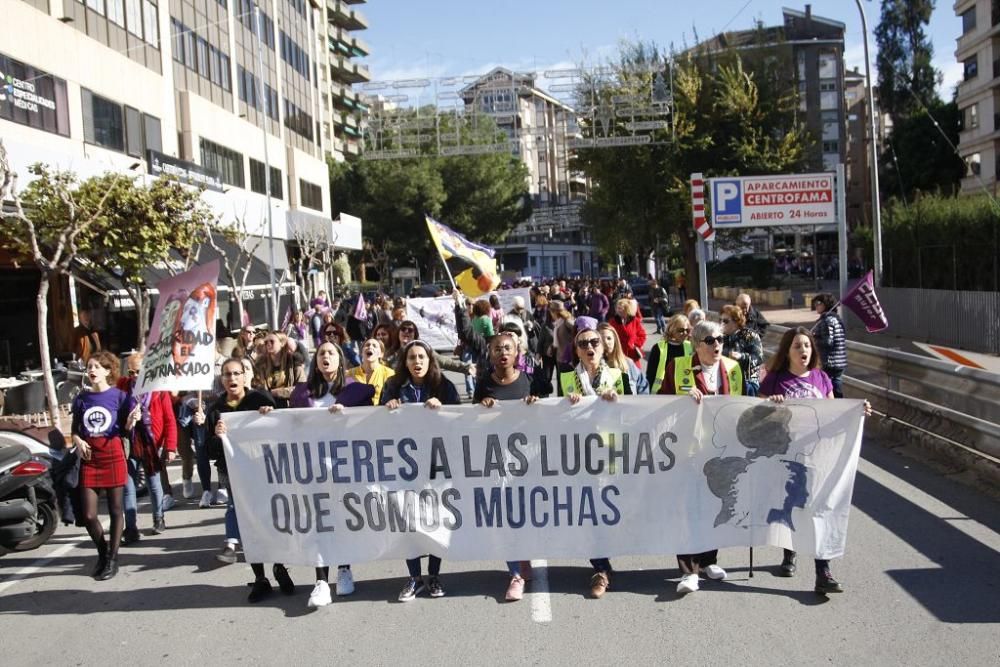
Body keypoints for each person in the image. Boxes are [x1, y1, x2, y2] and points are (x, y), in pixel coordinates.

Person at [759, 326, 871, 595]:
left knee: (819, 508)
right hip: (787, 457)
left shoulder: (822, 378)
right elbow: (757, 415)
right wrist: (771, 404)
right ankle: (790, 552)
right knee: (794, 506)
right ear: (787, 351)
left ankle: (824, 571)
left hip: (819, 456)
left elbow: (835, 412)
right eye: (797, 346)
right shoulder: (774, 379)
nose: (803, 351)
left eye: (807, 346)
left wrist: (858, 411)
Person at [286, 342, 375, 608]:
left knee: (343, 520)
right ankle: (321, 581)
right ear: (316, 361)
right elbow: (289, 425)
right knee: (319, 523)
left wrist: (348, 414)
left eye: (331, 353)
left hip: (344, 469)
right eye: (321, 353)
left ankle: (345, 570)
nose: (326, 357)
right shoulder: (302, 394)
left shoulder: (355, 392)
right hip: (313, 471)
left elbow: (371, 423)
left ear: (340, 360)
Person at [658, 321, 743, 595]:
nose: (717, 344)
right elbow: (659, 401)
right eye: (709, 340)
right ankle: (688, 571)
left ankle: (708, 561)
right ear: (696, 344)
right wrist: (681, 399)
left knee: (713, 508)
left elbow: (742, 403)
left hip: (720, 450)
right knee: (687, 509)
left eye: (719, 339)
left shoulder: (732, 368)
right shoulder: (678, 366)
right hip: (688, 450)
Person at [380, 340, 460, 601]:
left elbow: (460, 417)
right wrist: (387, 409)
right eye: (412, 357)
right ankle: (414, 578)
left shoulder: (443, 385)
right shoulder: (393, 386)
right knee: (409, 521)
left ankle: (434, 575)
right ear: (405, 362)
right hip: (405, 467)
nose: (417, 362)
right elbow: (376, 422)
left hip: (436, 464)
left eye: (422, 357)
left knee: (435, 519)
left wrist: (444, 409)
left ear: (430, 360)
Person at [199, 358, 284, 601]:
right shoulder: (216, 409)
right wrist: (217, 436)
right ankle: (260, 578)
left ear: (245, 376)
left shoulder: (260, 400)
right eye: (227, 374)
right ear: (222, 379)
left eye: (237, 373)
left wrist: (269, 415)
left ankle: (279, 567)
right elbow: (210, 451)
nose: (232, 378)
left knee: (268, 520)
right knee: (248, 524)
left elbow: (279, 429)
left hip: (263, 470)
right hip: (234, 472)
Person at [560, 327, 633, 598]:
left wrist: (618, 403)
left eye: (594, 342)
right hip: (580, 455)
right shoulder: (566, 378)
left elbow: (635, 414)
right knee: (589, 513)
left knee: (613, 511)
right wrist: (566, 405)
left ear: (603, 347)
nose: (589, 347)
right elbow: (554, 419)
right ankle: (600, 568)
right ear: (577, 350)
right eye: (583, 343)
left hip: (613, 453)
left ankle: (606, 560)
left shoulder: (618, 376)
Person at [475, 331, 539, 601]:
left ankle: (523, 556)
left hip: (528, 460)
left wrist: (536, 404)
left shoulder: (529, 379)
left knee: (524, 514)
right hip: (497, 460)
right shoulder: (483, 383)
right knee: (506, 516)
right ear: (491, 353)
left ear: (516, 354)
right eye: (498, 349)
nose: (503, 353)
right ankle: (514, 573)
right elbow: (472, 419)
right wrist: (482, 406)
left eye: (508, 349)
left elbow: (550, 414)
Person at [71, 351, 136, 581]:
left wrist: (131, 420)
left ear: (108, 371)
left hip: (113, 455)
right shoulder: (81, 399)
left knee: (116, 510)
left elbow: (128, 428)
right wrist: (78, 441)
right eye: (89, 366)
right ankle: (103, 552)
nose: (92, 370)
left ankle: (113, 559)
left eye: (97, 366)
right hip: (90, 459)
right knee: (89, 514)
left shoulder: (120, 396)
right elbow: (75, 429)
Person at [118, 352, 176, 543]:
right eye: (131, 372)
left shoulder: (159, 390)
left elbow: (169, 420)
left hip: (152, 443)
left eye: (138, 371)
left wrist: (170, 446)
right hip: (130, 441)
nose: (134, 376)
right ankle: (131, 527)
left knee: (154, 483)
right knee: (128, 486)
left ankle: (159, 518)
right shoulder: (122, 387)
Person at [720, 304, 764, 396]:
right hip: (725, 377)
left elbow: (758, 358)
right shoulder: (720, 337)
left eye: (725, 321)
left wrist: (741, 356)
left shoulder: (750, 335)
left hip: (747, 380)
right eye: (720, 320)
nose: (721, 324)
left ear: (736, 321)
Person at [253, 331, 306, 408]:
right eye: (266, 342)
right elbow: (257, 389)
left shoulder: (294, 362)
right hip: (268, 408)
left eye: (272, 341)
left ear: (282, 343)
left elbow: (302, 388)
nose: (268, 344)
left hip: (291, 408)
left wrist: (276, 393)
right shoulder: (260, 364)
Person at [811, 293, 847, 398]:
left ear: (825, 305)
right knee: (836, 386)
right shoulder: (836, 319)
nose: (816, 306)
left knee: (830, 389)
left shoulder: (827, 321)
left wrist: (814, 338)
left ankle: (835, 407)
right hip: (839, 360)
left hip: (830, 361)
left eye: (818, 303)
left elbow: (828, 342)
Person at [646, 314, 693, 394]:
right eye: (680, 330)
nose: (685, 333)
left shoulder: (690, 347)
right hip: (662, 392)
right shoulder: (658, 348)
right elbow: (650, 374)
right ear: (671, 329)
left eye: (687, 330)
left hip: (685, 393)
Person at [597, 322, 648, 394]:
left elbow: (643, 386)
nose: (606, 342)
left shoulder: (628, 363)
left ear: (615, 340)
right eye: (601, 339)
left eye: (609, 338)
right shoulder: (594, 366)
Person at [348, 338, 395, 405]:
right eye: (367, 345)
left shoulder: (389, 374)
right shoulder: (349, 374)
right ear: (361, 352)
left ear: (381, 354)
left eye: (374, 346)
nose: (370, 347)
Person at [609, 298, 646, 370]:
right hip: (619, 353)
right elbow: (609, 336)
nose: (618, 310)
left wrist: (634, 344)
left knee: (635, 375)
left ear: (626, 309)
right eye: (617, 308)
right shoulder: (612, 322)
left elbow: (642, 335)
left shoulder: (635, 320)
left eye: (620, 308)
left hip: (632, 354)